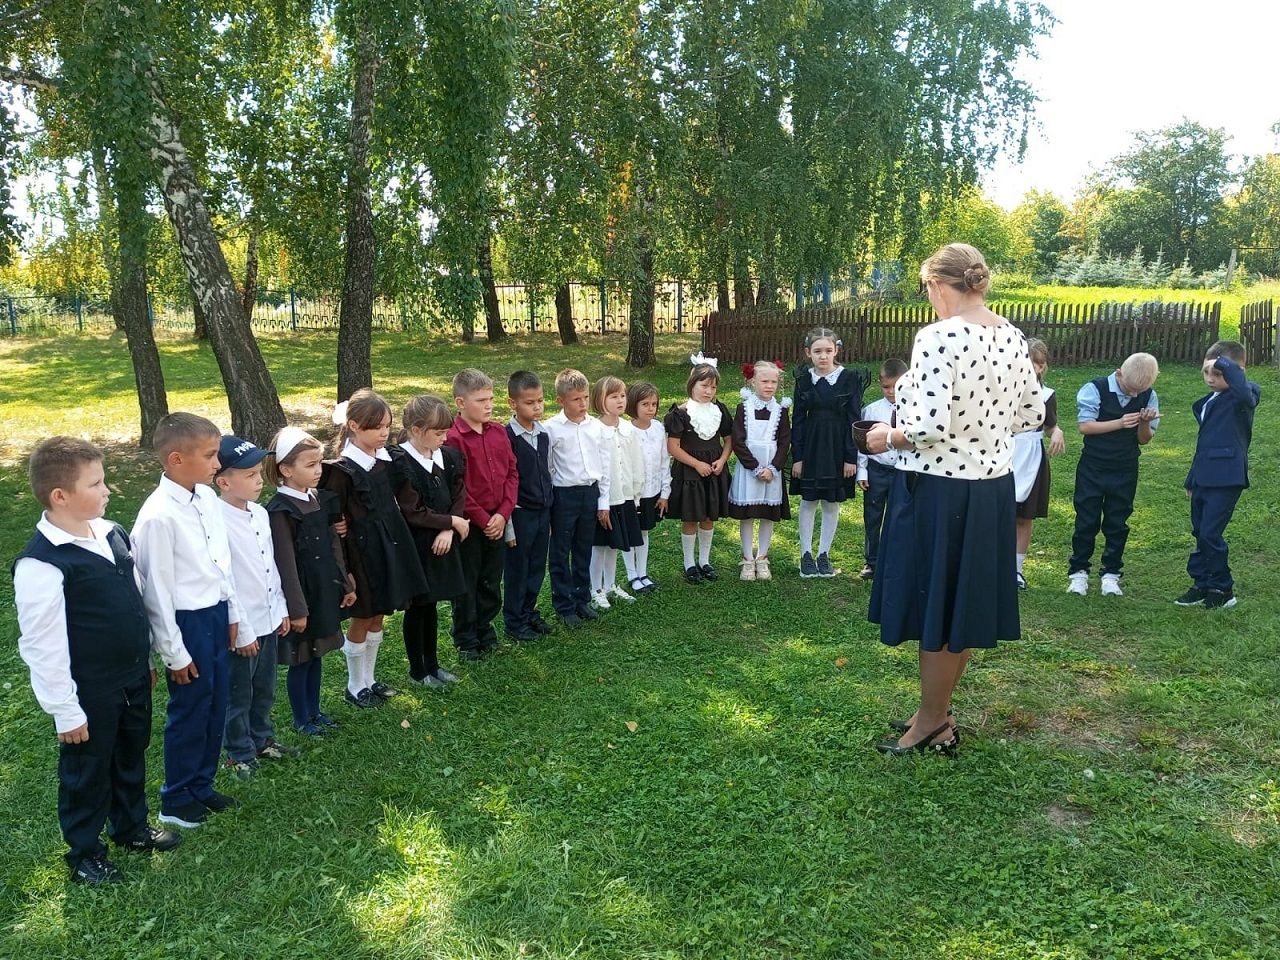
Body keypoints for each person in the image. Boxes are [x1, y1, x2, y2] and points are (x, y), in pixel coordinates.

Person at [867, 243, 1044, 756]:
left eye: (927, 290)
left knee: (937, 609)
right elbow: (1032, 414)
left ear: (939, 286)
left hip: (940, 491)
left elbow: (924, 426)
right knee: (956, 608)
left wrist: (886, 436)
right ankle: (936, 715)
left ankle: (929, 722)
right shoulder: (1011, 335)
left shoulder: (938, 336)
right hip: (991, 490)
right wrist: (984, 428)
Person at [13, 437, 181, 885]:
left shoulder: (109, 532)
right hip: (88, 687)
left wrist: (145, 656)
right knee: (88, 768)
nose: (108, 490)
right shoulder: (42, 563)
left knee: (131, 751)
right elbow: (41, 644)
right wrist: (65, 709)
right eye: (97, 483)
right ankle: (85, 852)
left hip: (130, 675)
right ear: (60, 496)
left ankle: (130, 826)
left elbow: (134, 598)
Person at [132, 413, 245, 828]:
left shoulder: (207, 499)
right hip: (186, 623)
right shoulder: (158, 516)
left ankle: (202, 784)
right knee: (191, 707)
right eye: (211, 455)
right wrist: (174, 653)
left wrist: (232, 611)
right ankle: (176, 797)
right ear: (176, 459)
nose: (218, 464)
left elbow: (222, 564)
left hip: (214, 614)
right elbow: (155, 592)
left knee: (216, 702)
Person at [323, 388, 428, 705]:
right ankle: (355, 685)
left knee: (380, 612)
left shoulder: (387, 461)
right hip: (361, 553)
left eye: (386, 426)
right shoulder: (341, 471)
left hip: (389, 546)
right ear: (354, 426)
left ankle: (369, 678)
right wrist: (338, 530)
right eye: (376, 427)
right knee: (363, 615)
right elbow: (331, 515)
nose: (384, 433)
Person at [213, 436, 295, 779]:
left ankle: (262, 739)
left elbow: (269, 566)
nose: (259, 480)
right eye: (249, 475)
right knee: (238, 692)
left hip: (268, 617)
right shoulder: (215, 519)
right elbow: (224, 576)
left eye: (260, 473)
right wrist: (242, 627)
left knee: (265, 687)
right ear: (223, 481)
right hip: (240, 625)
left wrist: (281, 608)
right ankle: (238, 752)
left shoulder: (260, 513)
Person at [266, 427, 356, 737]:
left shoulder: (319, 499)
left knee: (316, 654)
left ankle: (315, 711)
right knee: (300, 658)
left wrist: (345, 583)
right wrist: (296, 609)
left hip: (323, 589)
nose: (318, 471)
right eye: (309, 465)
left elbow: (334, 545)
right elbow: (286, 564)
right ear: (286, 470)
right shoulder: (280, 511)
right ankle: (301, 718)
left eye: (319, 463)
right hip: (301, 594)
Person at [1175, 340, 1261, 609]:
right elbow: (1203, 447)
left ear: (1238, 371)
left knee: (1211, 533)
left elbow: (1244, 390)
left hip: (1227, 478)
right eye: (1206, 372)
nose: (1210, 379)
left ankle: (1223, 589)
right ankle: (1201, 584)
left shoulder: (1243, 398)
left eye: (1218, 373)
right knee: (1200, 532)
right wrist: (1192, 478)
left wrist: (1227, 364)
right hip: (1203, 477)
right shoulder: (1206, 402)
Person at [1067, 352, 1160, 597]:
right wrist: (1120, 423)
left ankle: (1111, 573)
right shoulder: (1095, 389)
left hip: (1125, 467)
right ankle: (1078, 572)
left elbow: (1144, 440)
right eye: (1129, 389)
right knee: (1086, 519)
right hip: (1093, 467)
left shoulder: (1148, 395)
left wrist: (1143, 424)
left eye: (1138, 392)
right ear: (1119, 373)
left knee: (1118, 521)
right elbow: (1085, 426)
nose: (1133, 395)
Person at [445, 369, 519, 658]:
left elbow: (512, 473)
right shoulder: (453, 439)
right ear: (461, 403)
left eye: (490, 399)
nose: (488, 405)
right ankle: (466, 637)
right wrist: (484, 519)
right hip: (471, 523)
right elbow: (458, 487)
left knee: (491, 577)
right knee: (468, 580)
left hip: (498, 519)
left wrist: (502, 514)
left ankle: (485, 629)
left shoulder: (499, 432)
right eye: (480, 400)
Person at [395, 395, 468, 681]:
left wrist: (449, 529)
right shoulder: (400, 462)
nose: (444, 437)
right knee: (418, 607)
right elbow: (412, 510)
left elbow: (458, 493)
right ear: (416, 430)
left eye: (445, 432)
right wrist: (451, 522)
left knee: (433, 604)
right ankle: (418, 670)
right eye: (437, 433)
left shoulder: (447, 456)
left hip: (442, 542)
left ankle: (433, 664)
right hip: (416, 546)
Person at [791, 328, 867, 577]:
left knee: (831, 501)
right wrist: (798, 457)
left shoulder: (849, 378)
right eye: (817, 351)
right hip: (812, 446)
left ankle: (824, 553)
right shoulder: (804, 380)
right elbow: (799, 421)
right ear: (808, 353)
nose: (823, 356)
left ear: (836, 351)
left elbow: (854, 419)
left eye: (828, 351)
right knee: (809, 499)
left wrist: (850, 457)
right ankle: (805, 554)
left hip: (837, 447)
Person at [545, 369, 611, 626]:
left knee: (584, 548)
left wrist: (602, 502)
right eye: (576, 399)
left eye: (585, 397)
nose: (583, 404)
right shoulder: (551, 429)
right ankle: (563, 604)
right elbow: (549, 468)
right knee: (561, 551)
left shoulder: (596, 427)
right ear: (561, 400)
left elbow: (604, 466)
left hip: (590, 492)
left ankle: (581, 597)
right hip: (564, 495)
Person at [665, 355, 733, 583]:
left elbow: (729, 440)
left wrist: (722, 461)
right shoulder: (681, 414)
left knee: (708, 516)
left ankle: (704, 560)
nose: (708, 391)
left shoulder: (719, 410)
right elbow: (673, 447)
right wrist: (696, 464)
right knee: (691, 517)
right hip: (689, 472)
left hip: (713, 471)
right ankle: (689, 563)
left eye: (713, 387)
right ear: (692, 384)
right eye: (704, 385)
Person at [727, 360, 791, 581]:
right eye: (764, 381)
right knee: (748, 515)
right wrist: (755, 467)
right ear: (753, 382)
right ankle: (747, 558)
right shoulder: (743, 408)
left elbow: (784, 441)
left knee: (767, 515)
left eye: (774, 382)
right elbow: (738, 441)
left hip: (772, 469)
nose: (769, 386)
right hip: (750, 469)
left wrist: (773, 468)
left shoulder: (781, 411)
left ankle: (762, 557)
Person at [503, 371, 555, 641]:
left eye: (540, 401)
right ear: (513, 403)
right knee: (518, 569)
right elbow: (506, 483)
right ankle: (514, 620)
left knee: (536, 566)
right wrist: (509, 525)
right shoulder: (507, 437)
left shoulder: (543, 434)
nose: (537, 407)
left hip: (542, 511)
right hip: (520, 514)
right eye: (529, 402)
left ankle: (528, 612)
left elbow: (547, 471)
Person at [1011, 340, 1065, 590]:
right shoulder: (1002, 391)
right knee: (996, 513)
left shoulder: (1046, 395)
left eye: (1040, 364)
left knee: (1024, 516)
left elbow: (1050, 423)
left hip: (1031, 457)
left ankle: (1016, 570)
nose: (1036, 368)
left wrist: (1056, 432)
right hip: (1003, 454)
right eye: (1030, 362)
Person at [588, 375, 645, 608]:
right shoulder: (594, 429)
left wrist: (636, 492)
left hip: (625, 495)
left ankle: (611, 584)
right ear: (600, 400)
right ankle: (595, 588)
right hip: (605, 497)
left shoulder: (629, 429)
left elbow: (636, 461)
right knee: (599, 545)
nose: (620, 400)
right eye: (613, 396)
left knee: (615, 543)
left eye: (622, 395)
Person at [856, 359, 907, 581]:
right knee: (873, 515)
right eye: (886, 387)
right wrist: (862, 471)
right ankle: (872, 561)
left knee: (900, 517)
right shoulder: (872, 410)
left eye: (896, 386)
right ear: (880, 384)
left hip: (903, 471)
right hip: (877, 469)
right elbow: (862, 445)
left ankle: (897, 560)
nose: (891, 392)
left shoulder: (916, 411)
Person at [622, 381, 669, 594]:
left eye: (654, 404)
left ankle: (643, 572)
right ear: (634, 405)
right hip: (631, 493)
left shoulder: (659, 429)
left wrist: (665, 492)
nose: (651, 409)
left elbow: (663, 461)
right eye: (645, 404)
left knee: (644, 531)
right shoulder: (625, 431)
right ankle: (631, 574)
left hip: (652, 491)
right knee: (631, 533)